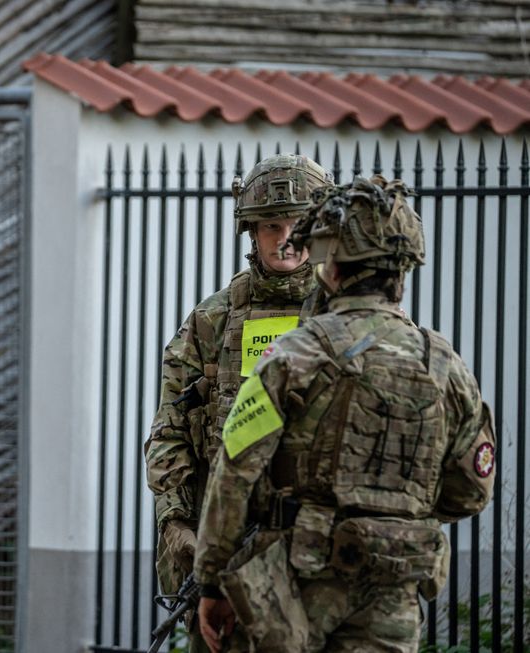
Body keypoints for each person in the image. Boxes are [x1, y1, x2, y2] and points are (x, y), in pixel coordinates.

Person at [194, 176, 495, 652]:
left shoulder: (291, 357)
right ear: (404, 266)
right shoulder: (444, 365)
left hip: (296, 588)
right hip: (394, 590)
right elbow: (470, 492)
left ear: (329, 268)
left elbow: (234, 474)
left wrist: (212, 581)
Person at [144, 154, 332, 651]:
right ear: (251, 230)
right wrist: (178, 523)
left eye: (297, 223)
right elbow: (169, 432)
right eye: (271, 224)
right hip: (226, 555)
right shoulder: (214, 320)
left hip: (321, 556)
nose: (285, 237)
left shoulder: (342, 316)